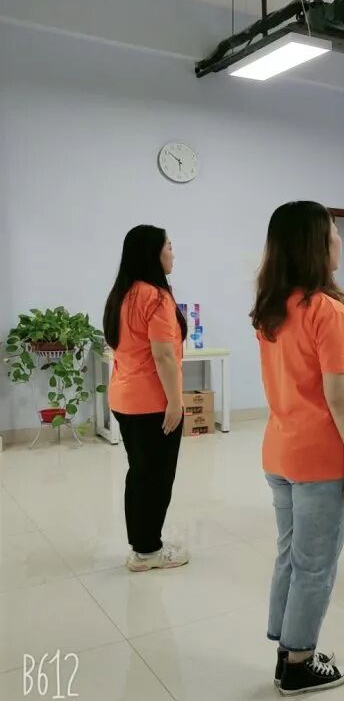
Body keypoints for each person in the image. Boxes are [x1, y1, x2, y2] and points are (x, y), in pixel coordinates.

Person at [251, 201, 344, 696]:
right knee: (315, 565)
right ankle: (299, 663)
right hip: (321, 456)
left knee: (291, 556)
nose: (339, 241)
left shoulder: (272, 308)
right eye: (333, 233)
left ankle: (287, 650)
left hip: (280, 449)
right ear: (315, 244)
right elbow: (340, 395)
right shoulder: (327, 311)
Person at [102, 225, 189, 572]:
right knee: (156, 477)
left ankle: (141, 546)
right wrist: (175, 402)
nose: (173, 253)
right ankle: (148, 551)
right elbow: (164, 355)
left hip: (124, 399)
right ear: (154, 253)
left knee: (139, 473)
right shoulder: (156, 297)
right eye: (169, 247)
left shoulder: (121, 295)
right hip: (153, 403)